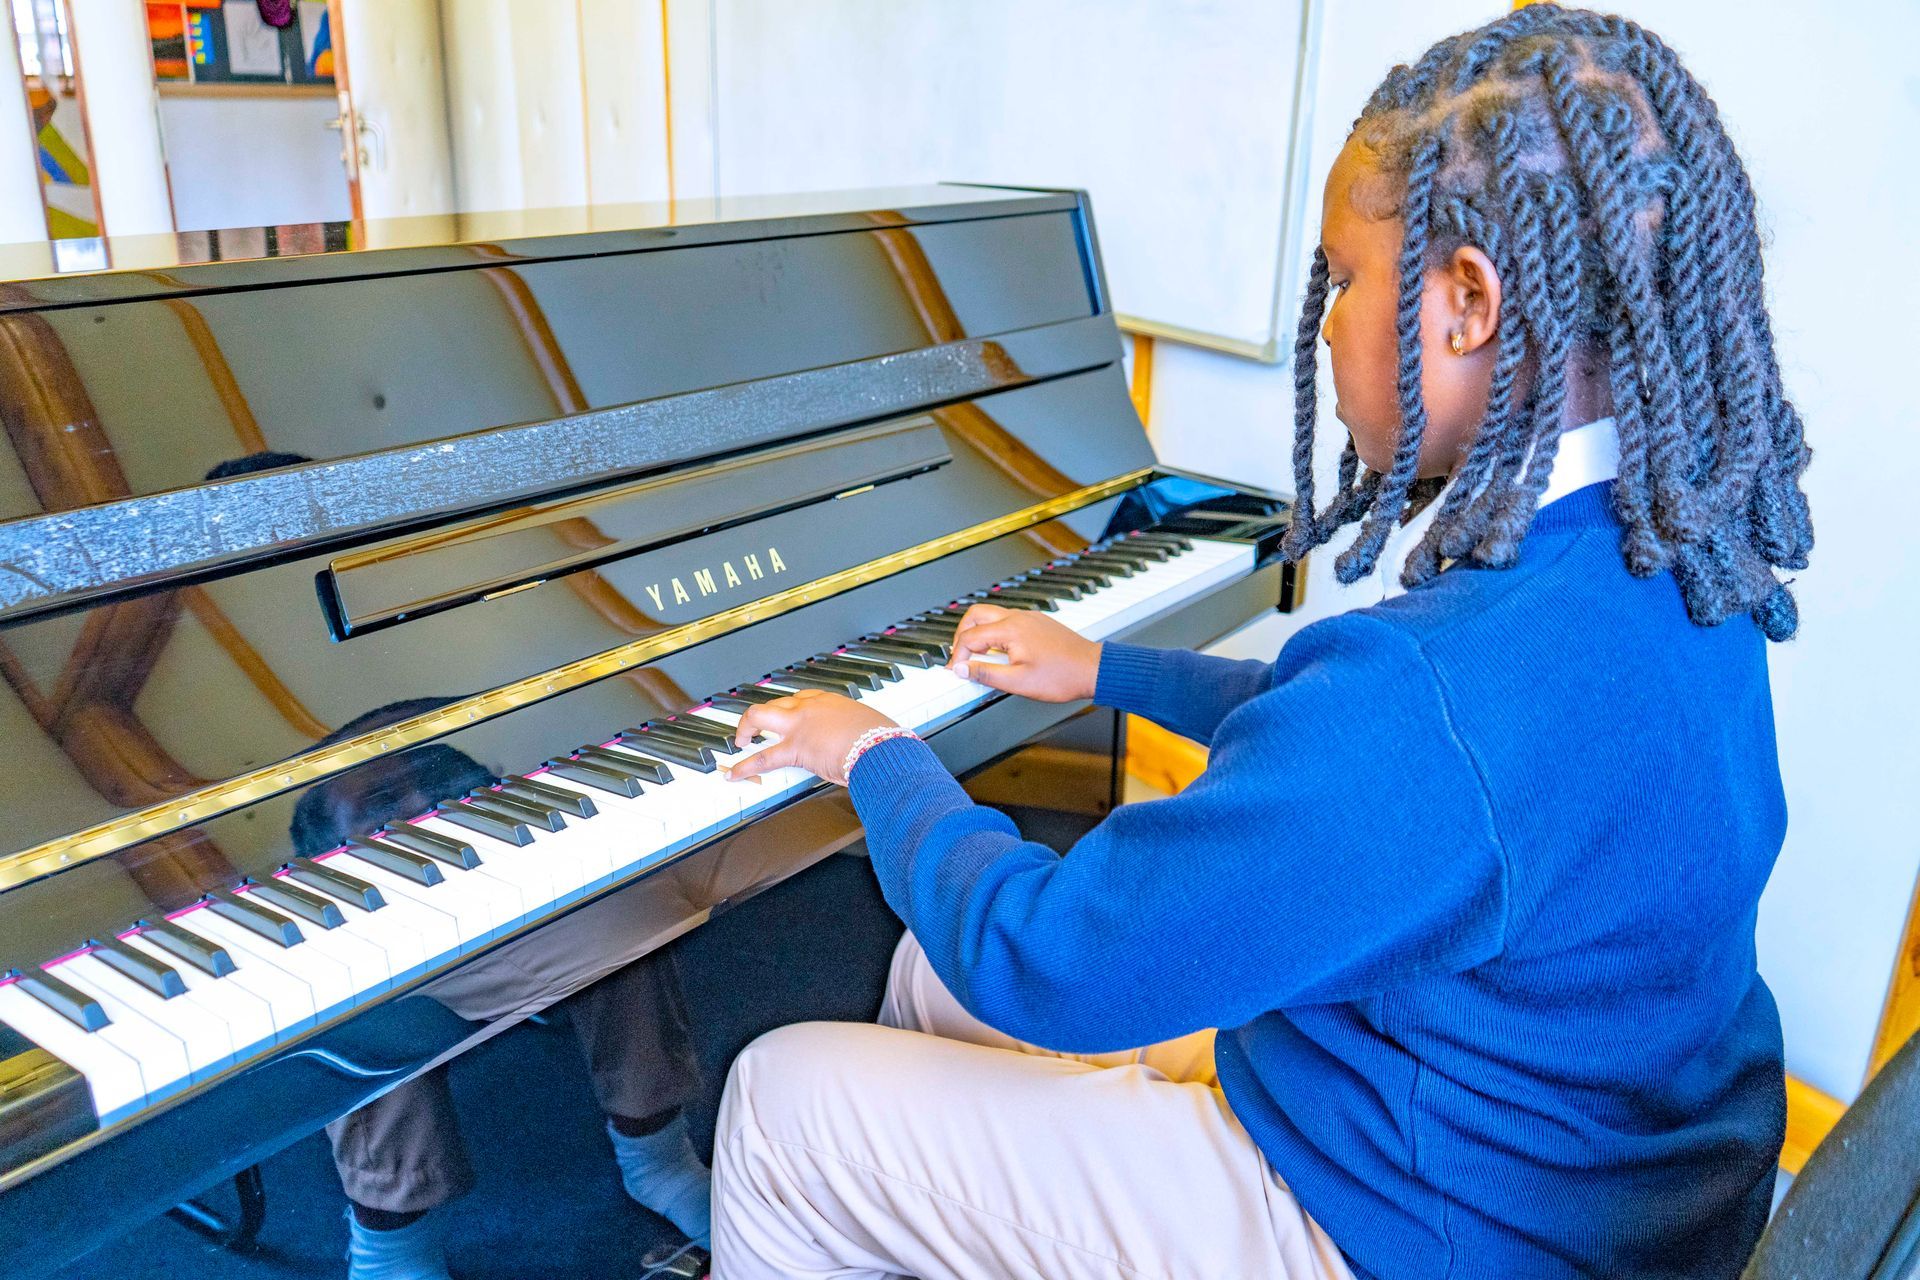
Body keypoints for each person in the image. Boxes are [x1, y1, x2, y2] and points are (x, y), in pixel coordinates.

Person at [706, 8, 1812, 1279]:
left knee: (780, 1098)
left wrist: (874, 753)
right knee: (926, 973)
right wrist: (1109, 669)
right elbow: (1356, 755)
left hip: (1413, 1231)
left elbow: (1052, 957)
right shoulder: (1682, 556)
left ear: (1467, 304)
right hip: (1552, 1162)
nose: (1328, 324)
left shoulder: (1432, 700)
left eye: (1344, 278)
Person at [289, 701, 713, 1280]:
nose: (418, 806)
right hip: (376, 934)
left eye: (430, 777)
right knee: (354, 997)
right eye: (382, 803)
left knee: (624, 914)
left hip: (498, 895)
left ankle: (658, 1162)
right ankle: (391, 1246)